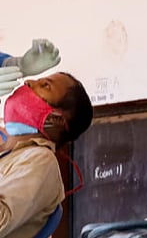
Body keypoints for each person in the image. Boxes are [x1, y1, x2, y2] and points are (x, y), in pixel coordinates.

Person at [0, 72, 93, 238]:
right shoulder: (7, 151)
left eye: (45, 86)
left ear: (56, 120)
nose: (29, 82)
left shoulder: (41, 160)